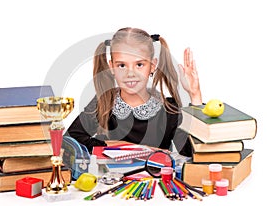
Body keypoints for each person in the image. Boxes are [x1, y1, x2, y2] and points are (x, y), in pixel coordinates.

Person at [65, 27, 202, 156]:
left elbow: (193, 152)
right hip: (111, 180)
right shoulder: (104, 102)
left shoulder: (169, 109)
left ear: (152, 66)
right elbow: (69, 140)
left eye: (139, 65)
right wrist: (122, 146)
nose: (130, 73)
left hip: (154, 180)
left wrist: (195, 95)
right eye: (122, 65)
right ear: (112, 67)